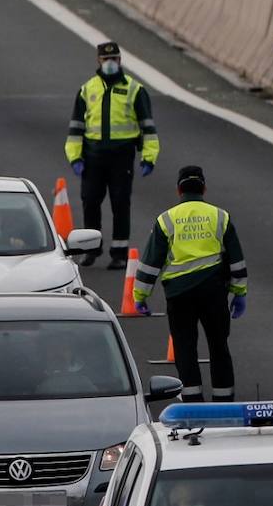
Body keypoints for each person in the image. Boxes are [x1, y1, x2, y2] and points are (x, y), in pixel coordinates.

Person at [132, 166, 247, 403]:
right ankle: (223, 401)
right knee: (218, 346)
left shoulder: (166, 220)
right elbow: (236, 260)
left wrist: (140, 296)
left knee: (185, 349)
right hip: (213, 292)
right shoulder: (220, 216)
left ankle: (193, 402)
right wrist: (239, 292)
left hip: (179, 294)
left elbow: (150, 263)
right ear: (204, 188)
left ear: (178, 190)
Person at [64, 41, 160, 270]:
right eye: (106, 59)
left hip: (122, 156)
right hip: (93, 156)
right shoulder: (87, 90)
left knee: (120, 203)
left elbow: (148, 128)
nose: (110, 63)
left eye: (114, 59)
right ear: (98, 61)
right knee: (90, 202)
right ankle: (90, 250)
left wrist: (149, 157)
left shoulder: (135, 90)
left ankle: (120, 253)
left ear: (120, 61)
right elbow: (76, 128)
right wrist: (75, 158)